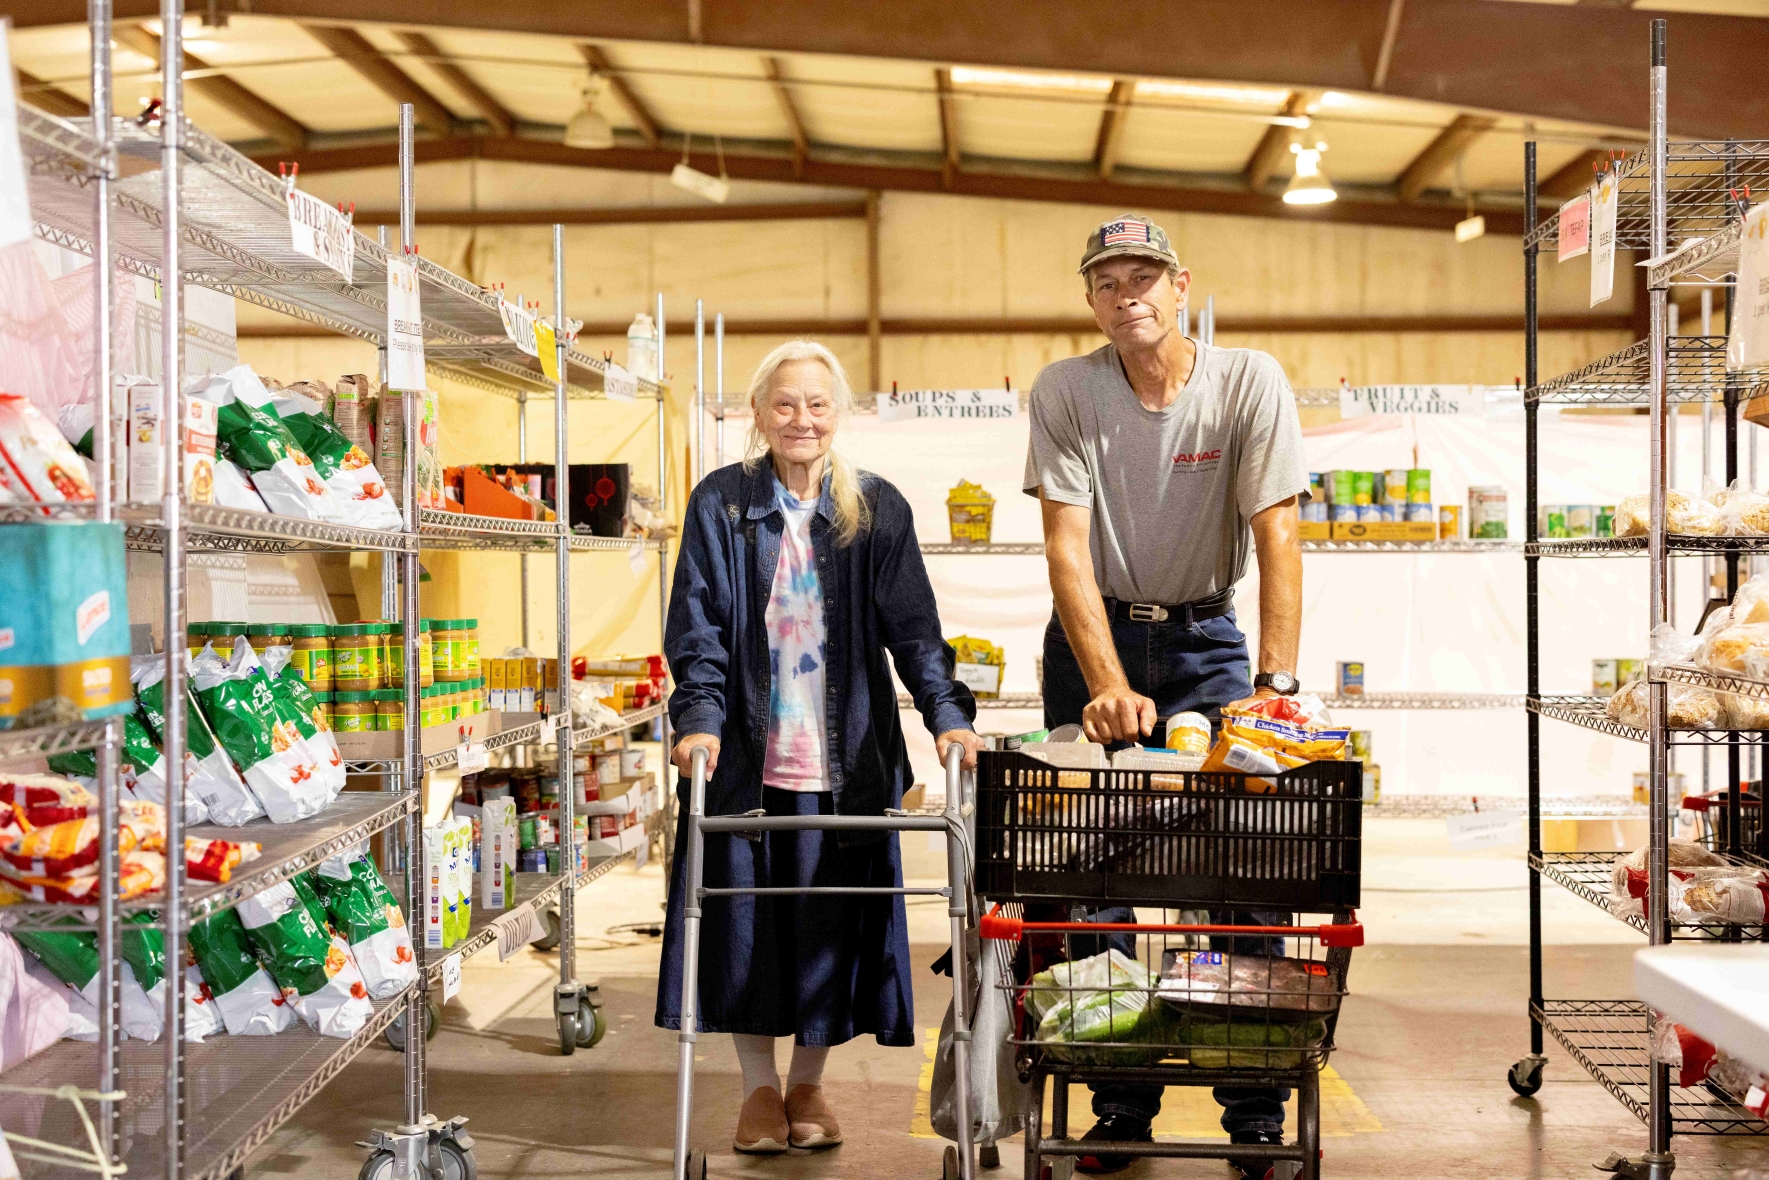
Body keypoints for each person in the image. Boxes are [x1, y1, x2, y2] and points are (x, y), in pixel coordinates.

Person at [1023, 214, 1309, 1178]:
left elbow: (1275, 532)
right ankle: (1117, 1104)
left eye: (1144, 276)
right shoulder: (1065, 391)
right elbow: (1065, 547)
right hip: (1092, 637)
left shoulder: (1248, 382)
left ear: (1181, 287)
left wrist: (1272, 685)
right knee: (1091, 875)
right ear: (1090, 299)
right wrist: (1103, 684)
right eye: (1107, 281)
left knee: (1245, 868)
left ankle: (1255, 1107)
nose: (1126, 294)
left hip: (1204, 639)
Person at [657, 339, 986, 1156]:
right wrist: (697, 717)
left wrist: (945, 713)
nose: (800, 419)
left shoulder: (874, 508)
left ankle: (807, 1083)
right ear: (758, 413)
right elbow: (696, 629)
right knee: (740, 931)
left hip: (844, 763)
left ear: (838, 414)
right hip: (743, 757)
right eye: (784, 404)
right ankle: (756, 1092)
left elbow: (914, 630)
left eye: (816, 404)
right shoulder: (720, 505)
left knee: (828, 928)